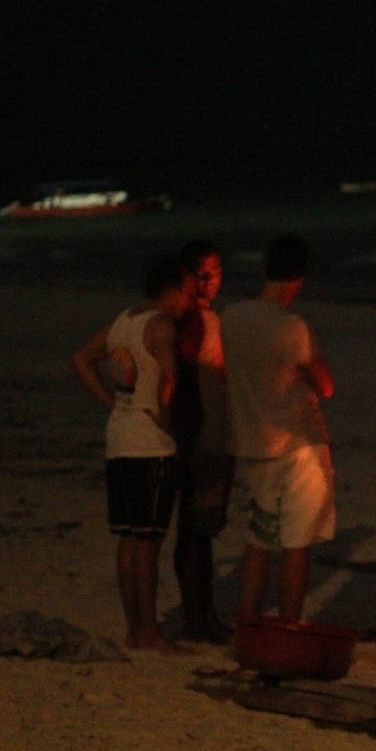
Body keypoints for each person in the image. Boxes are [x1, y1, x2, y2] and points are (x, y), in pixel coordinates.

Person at [71, 255, 196, 653]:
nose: (190, 303)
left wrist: (112, 403)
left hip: (119, 435)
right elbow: (168, 378)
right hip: (149, 443)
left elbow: (82, 359)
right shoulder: (162, 325)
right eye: (188, 294)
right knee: (148, 541)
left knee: (127, 537)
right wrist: (165, 419)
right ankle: (150, 632)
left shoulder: (122, 322)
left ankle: (134, 630)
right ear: (171, 291)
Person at [221, 234, 334, 621]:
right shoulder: (292, 326)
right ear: (299, 279)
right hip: (297, 447)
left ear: (264, 269)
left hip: (254, 444)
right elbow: (325, 385)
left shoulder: (232, 318)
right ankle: (287, 629)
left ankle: (247, 624)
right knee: (295, 546)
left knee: (258, 541)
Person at [171, 240, 235, 642]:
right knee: (198, 529)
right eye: (203, 273)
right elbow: (187, 377)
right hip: (204, 437)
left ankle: (201, 614)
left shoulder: (197, 319)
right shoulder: (196, 321)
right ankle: (198, 618)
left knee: (197, 529)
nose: (211, 280)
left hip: (204, 434)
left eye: (216, 271)